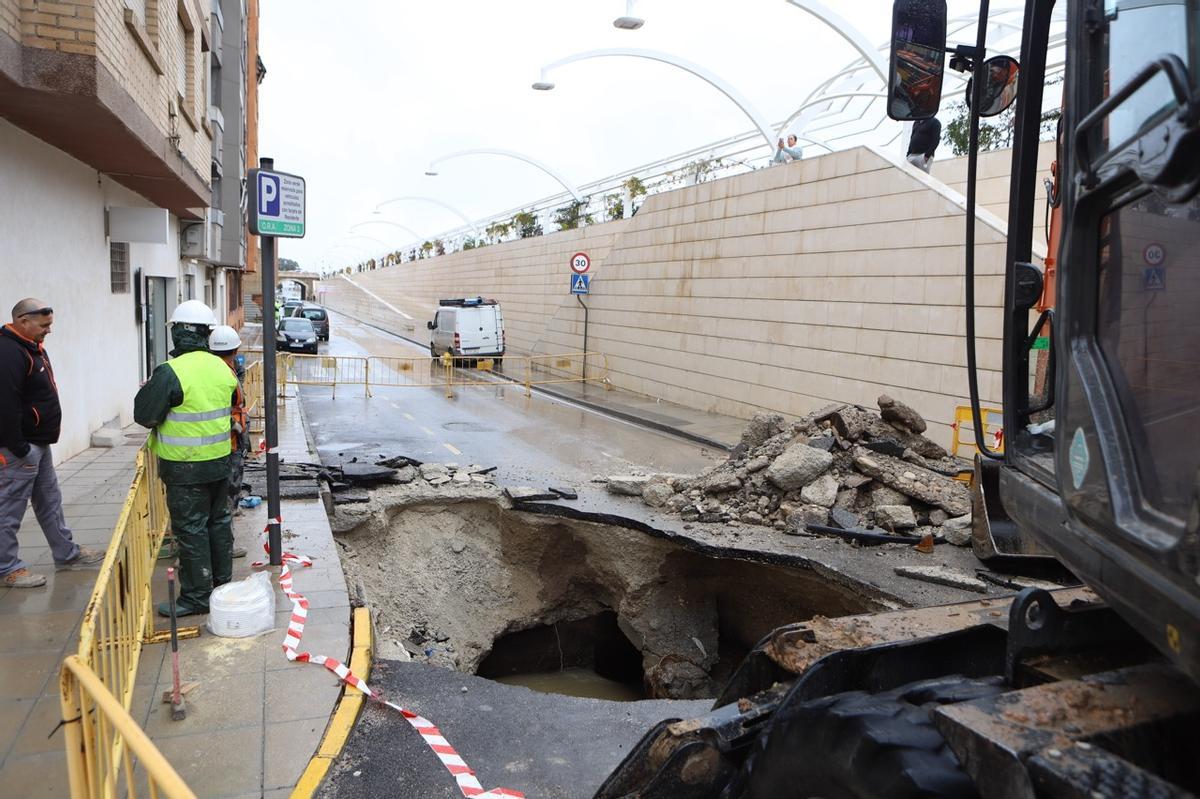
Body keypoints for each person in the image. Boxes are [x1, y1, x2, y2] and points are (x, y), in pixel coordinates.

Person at [135, 300, 238, 616]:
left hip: (184, 468)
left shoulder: (170, 372)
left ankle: (195, 597)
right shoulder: (222, 368)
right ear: (207, 334)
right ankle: (222, 587)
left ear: (177, 333)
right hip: (220, 461)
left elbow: (146, 415)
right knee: (218, 524)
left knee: (191, 530)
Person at [1, 299, 104, 587]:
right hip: (19, 448)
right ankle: (7, 568)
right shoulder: (9, 352)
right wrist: (19, 448)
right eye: (44, 325)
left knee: (49, 501)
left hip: (38, 444)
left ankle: (66, 553)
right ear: (23, 321)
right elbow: (5, 405)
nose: (48, 331)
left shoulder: (31, 347)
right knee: (9, 509)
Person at [208, 325, 249, 558]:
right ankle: (226, 547)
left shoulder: (227, 370)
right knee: (226, 498)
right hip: (227, 442)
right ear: (234, 351)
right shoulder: (221, 374)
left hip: (226, 440)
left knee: (225, 497)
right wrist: (234, 424)